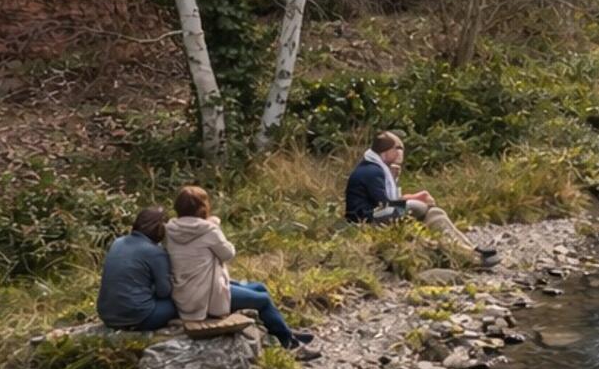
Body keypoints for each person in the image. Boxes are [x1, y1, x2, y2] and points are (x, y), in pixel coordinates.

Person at [164, 185, 315, 354]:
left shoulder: (171, 230)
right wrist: (214, 226)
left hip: (186, 293)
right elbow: (228, 254)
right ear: (203, 208)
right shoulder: (209, 230)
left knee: (259, 287)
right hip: (206, 298)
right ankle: (290, 346)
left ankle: (285, 331)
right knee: (263, 299)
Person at [345, 131, 498, 267]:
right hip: (366, 219)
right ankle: (470, 255)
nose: (400, 152)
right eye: (397, 148)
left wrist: (409, 193)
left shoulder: (380, 169)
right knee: (418, 207)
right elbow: (385, 204)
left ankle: (471, 250)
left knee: (435, 213)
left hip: (379, 213)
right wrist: (415, 202)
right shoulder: (372, 171)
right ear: (385, 151)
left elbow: (390, 199)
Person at [97, 206, 179, 331]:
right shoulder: (156, 252)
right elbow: (164, 291)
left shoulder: (117, 242)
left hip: (107, 315)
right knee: (179, 303)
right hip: (139, 316)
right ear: (160, 229)